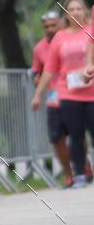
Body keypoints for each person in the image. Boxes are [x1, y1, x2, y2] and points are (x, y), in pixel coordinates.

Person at [31, 0, 94, 189]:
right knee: (75, 136)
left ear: (85, 11)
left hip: (91, 92)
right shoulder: (60, 37)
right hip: (69, 94)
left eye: (79, 8)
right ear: (65, 15)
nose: (75, 12)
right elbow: (50, 68)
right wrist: (38, 94)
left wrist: (90, 66)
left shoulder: (91, 31)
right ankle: (80, 175)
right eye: (71, 9)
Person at [31, 10, 75, 187]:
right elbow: (36, 70)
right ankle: (69, 173)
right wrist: (36, 79)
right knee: (57, 137)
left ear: (62, 24)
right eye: (46, 27)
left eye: (53, 25)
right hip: (54, 96)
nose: (49, 29)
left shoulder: (72, 41)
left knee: (77, 134)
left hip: (74, 93)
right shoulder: (39, 48)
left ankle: (83, 164)